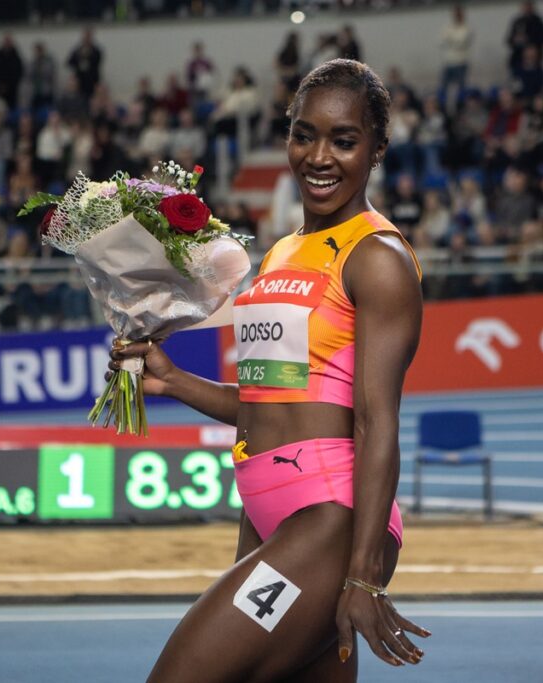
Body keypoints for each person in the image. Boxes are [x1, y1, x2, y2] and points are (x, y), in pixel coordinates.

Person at [111, 59, 429, 683]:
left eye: (344, 140)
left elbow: (374, 421)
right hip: (266, 513)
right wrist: (172, 380)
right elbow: (267, 403)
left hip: (331, 523)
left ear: (377, 149)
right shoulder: (282, 251)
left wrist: (362, 575)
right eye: (304, 134)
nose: (319, 156)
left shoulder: (378, 257)